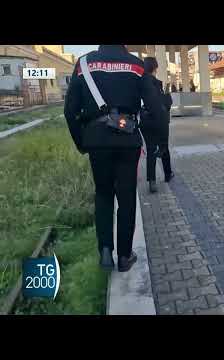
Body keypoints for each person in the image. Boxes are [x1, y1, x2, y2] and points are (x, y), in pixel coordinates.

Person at [64, 45, 165, 272]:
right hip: (127, 140)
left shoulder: (83, 64)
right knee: (127, 197)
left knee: (103, 194)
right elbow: (155, 108)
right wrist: (158, 141)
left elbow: (69, 111)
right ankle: (124, 256)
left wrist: (82, 143)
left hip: (97, 141)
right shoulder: (136, 66)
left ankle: (105, 252)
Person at [140, 57, 174, 193]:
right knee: (163, 146)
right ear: (155, 68)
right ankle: (167, 174)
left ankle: (152, 180)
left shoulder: (139, 82)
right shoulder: (157, 84)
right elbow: (166, 104)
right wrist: (167, 95)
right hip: (158, 121)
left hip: (145, 121)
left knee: (151, 150)